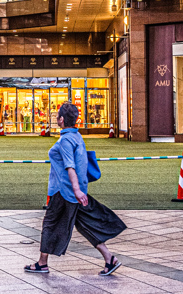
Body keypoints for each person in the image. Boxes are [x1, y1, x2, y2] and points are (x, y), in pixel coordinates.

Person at [24, 102, 126, 276]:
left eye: (57, 116)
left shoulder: (65, 140)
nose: (56, 118)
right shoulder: (77, 136)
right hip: (76, 191)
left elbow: (70, 166)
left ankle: (42, 263)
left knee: (50, 223)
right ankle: (110, 259)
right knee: (85, 225)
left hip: (64, 191)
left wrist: (76, 190)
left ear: (62, 119)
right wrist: (80, 191)